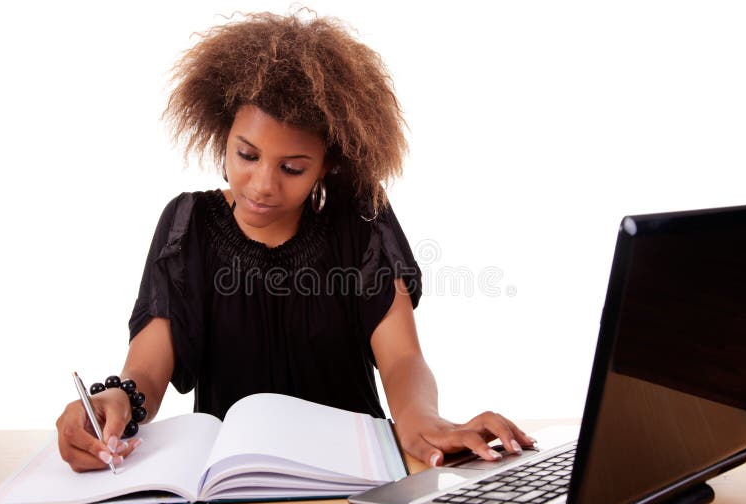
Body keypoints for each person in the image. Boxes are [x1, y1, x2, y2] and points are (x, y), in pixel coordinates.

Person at [56, 11, 534, 473]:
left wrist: (419, 419)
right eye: (247, 154)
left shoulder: (360, 219)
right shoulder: (188, 224)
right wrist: (116, 401)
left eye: (292, 168)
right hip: (230, 481)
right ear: (223, 137)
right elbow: (149, 368)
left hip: (354, 475)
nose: (263, 184)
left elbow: (403, 357)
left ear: (327, 163)